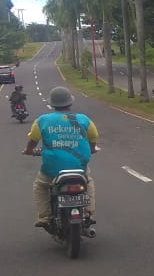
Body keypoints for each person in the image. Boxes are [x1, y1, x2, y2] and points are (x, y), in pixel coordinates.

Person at [22, 86, 98, 229]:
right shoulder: (83, 119)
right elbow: (93, 137)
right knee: (88, 183)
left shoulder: (42, 120)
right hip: (79, 169)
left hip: (52, 170)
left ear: (51, 104)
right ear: (70, 103)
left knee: (40, 186)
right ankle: (88, 212)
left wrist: (29, 150)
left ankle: (45, 216)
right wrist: (92, 149)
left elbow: (33, 139)